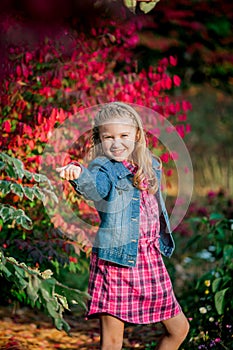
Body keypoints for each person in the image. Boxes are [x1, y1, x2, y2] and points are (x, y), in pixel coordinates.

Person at [56, 102, 190, 350]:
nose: (116, 143)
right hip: (116, 260)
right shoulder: (103, 169)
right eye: (108, 137)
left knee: (179, 329)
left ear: (137, 134)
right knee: (113, 342)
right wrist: (78, 174)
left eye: (124, 135)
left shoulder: (151, 164)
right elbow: (96, 187)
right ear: (99, 140)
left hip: (150, 260)